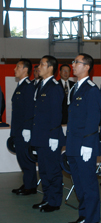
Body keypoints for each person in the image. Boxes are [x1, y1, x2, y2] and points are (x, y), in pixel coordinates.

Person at [66, 53, 101, 223]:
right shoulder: (75, 88)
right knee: (78, 183)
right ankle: (83, 215)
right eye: (73, 62)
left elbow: (93, 119)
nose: (73, 65)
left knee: (88, 184)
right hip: (73, 143)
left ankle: (92, 219)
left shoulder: (91, 89)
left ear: (87, 66)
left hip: (84, 145)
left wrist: (88, 144)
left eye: (77, 62)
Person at [31, 55, 65, 212]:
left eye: (42, 64)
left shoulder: (55, 87)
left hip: (50, 137)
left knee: (52, 170)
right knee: (43, 171)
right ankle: (47, 198)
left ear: (50, 67)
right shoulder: (41, 85)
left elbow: (56, 114)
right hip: (40, 136)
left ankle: (54, 201)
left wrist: (53, 135)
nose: (38, 67)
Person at [11, 58, 37, 195]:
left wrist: (27, 128)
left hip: (24, 130)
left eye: (18, 67)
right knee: (21, 157)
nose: (15, 69)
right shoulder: (21, 85)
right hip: (18, 129)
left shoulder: (28, 86)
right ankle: (28, 183)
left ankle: (31, 187)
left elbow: (29, 109)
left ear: (25, 70)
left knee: (26, 158)